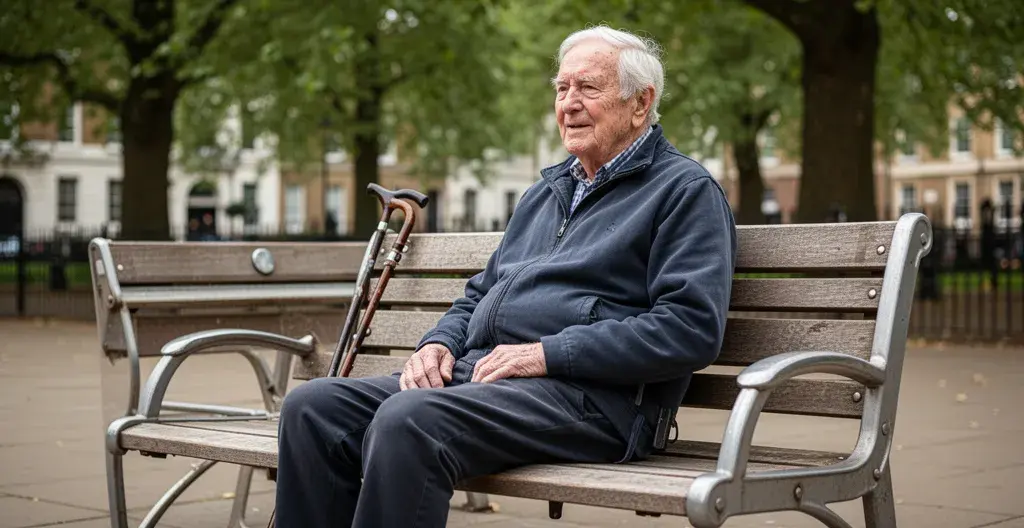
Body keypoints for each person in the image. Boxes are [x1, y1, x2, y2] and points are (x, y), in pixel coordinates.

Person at [273, 25, 737, 527]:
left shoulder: (684, 192)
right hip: (486, 378)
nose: (569, 103)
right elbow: (482, 292)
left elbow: (689, 328)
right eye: (562, 89)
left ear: (640, 103)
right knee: (312, 408)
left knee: (411, 421)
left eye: (588, 88)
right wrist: (439, 344)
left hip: (598, 401)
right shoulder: (548, 192)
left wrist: (547, 354)